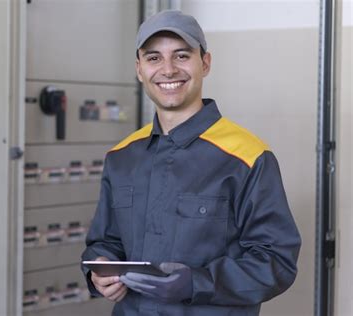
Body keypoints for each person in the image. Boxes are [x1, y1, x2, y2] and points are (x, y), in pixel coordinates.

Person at [81, 10, 301, 316]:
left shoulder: (247, 157)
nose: (168, 70)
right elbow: (105, 241)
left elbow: (277, 260)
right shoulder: (122, 156)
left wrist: (198, 283)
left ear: (205, 63)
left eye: (182, 56)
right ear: (139, 69)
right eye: (154, 58)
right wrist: (100, 269)